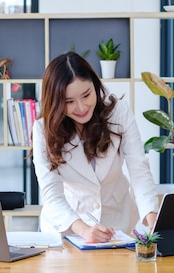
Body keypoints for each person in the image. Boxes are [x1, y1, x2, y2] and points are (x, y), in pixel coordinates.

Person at [32, 51, 159, 243]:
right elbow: (51, 193)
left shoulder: (118, 113)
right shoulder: (43, 130)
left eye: (86, 95)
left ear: (95, 84)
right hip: (69, 228)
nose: (81, 107)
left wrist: (152, 214)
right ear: (56, 102)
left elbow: (138, 168)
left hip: (118, 224)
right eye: (69, 102)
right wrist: (83, 230)